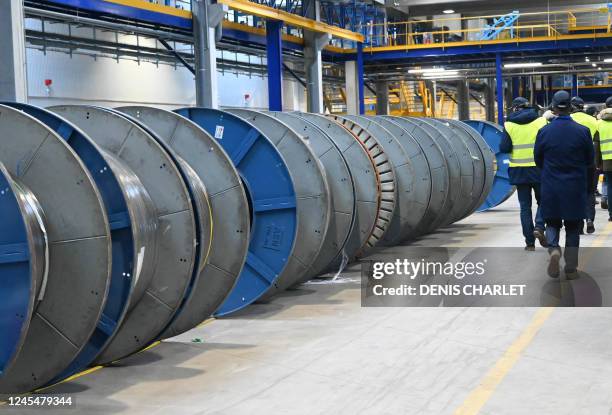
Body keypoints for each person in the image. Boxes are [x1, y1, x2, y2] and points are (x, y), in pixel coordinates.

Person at [535, 91, 594, 279]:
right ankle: (570, 267)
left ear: (553, 107)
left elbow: (538, 160)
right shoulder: (582, 131)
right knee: (573, 227)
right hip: (575, 187)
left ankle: (553, 249)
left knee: (552, 222)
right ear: (571, 107)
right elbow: (590, 160)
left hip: (551, 185)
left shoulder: (544, 131)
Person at [500, 97, 548, 251]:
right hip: (538, 169)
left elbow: (504, 148)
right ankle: (539, 226)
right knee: (543, 201)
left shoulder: (509, 125)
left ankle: (529, 242)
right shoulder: (540, 121)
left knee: (525, 207)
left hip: (519, 171)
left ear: (515, 109)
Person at [570, 96, 600, 234]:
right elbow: (596, 142)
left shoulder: (569, 120)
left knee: (575, 193)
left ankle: (578, 224)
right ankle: (589, 219)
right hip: (590, 162)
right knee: (589, 192)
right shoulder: (594, 120)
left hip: (572, 163)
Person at [596, 96, 612, 221]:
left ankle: (611, 214)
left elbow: (597, 146)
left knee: (610, 185)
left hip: (607, 161)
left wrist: (597, 163)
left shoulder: (599, 123)